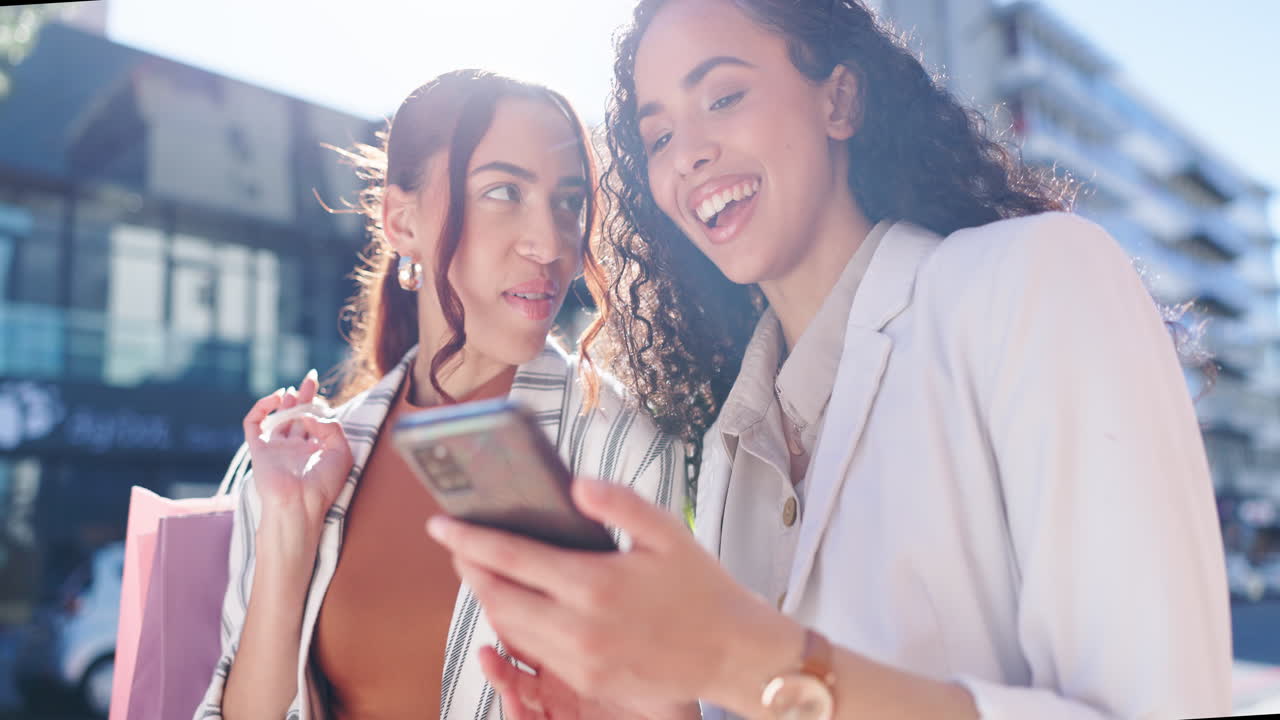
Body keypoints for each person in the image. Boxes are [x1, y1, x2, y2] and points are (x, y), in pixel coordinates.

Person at [429, 2, 1232, 719]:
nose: (688, 155)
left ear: (839, 100)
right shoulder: (732, 448)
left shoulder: (1037, 279)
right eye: (659, 137)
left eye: (723, 97)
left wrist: (747, 661)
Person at [193, 69, 684, 720]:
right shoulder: (310, 466)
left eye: (569, 201)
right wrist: (290, 530)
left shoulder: (624, 450)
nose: (549, 244)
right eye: (504, 192)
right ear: (402, 221)